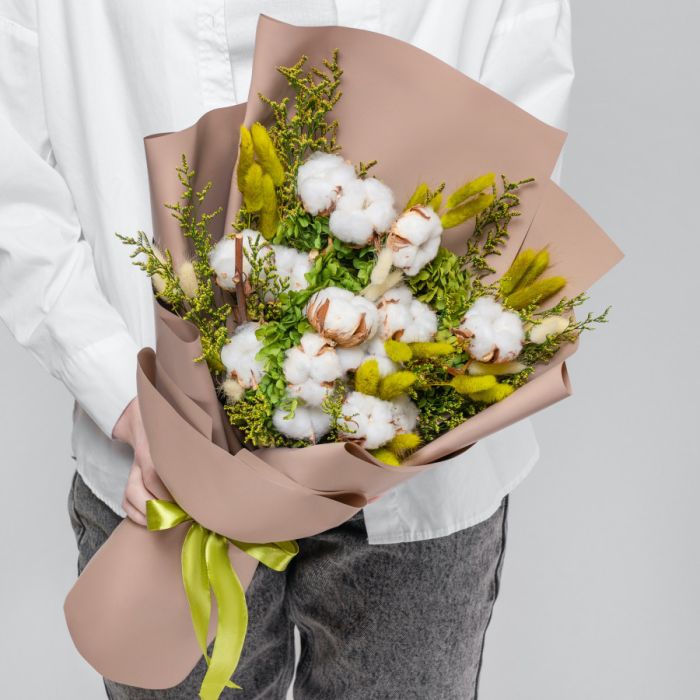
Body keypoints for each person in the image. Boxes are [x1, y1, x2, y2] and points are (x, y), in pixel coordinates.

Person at [0, 1, 573, 697]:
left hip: (416, 458)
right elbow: (12, 178)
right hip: (162, 462)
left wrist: (430, 357)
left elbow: (524, 112)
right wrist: (122, 393)